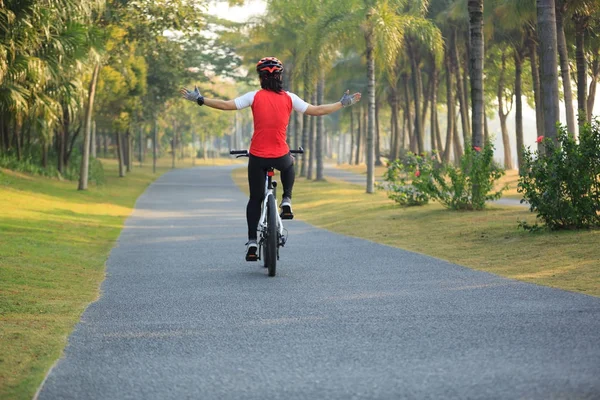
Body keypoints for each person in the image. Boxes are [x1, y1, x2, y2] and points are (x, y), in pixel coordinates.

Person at [181, 56, 361, 261]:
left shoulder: (253, 97)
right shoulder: (290, 98)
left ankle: (251, 242)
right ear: (280, 77)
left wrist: (200, 99)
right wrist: (341, 103)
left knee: (255, 199)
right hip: (280, 156)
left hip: (257, 156)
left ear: (261, 78)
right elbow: (317, 110)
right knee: (288, 164)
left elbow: (225, 105)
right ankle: (286, 201)